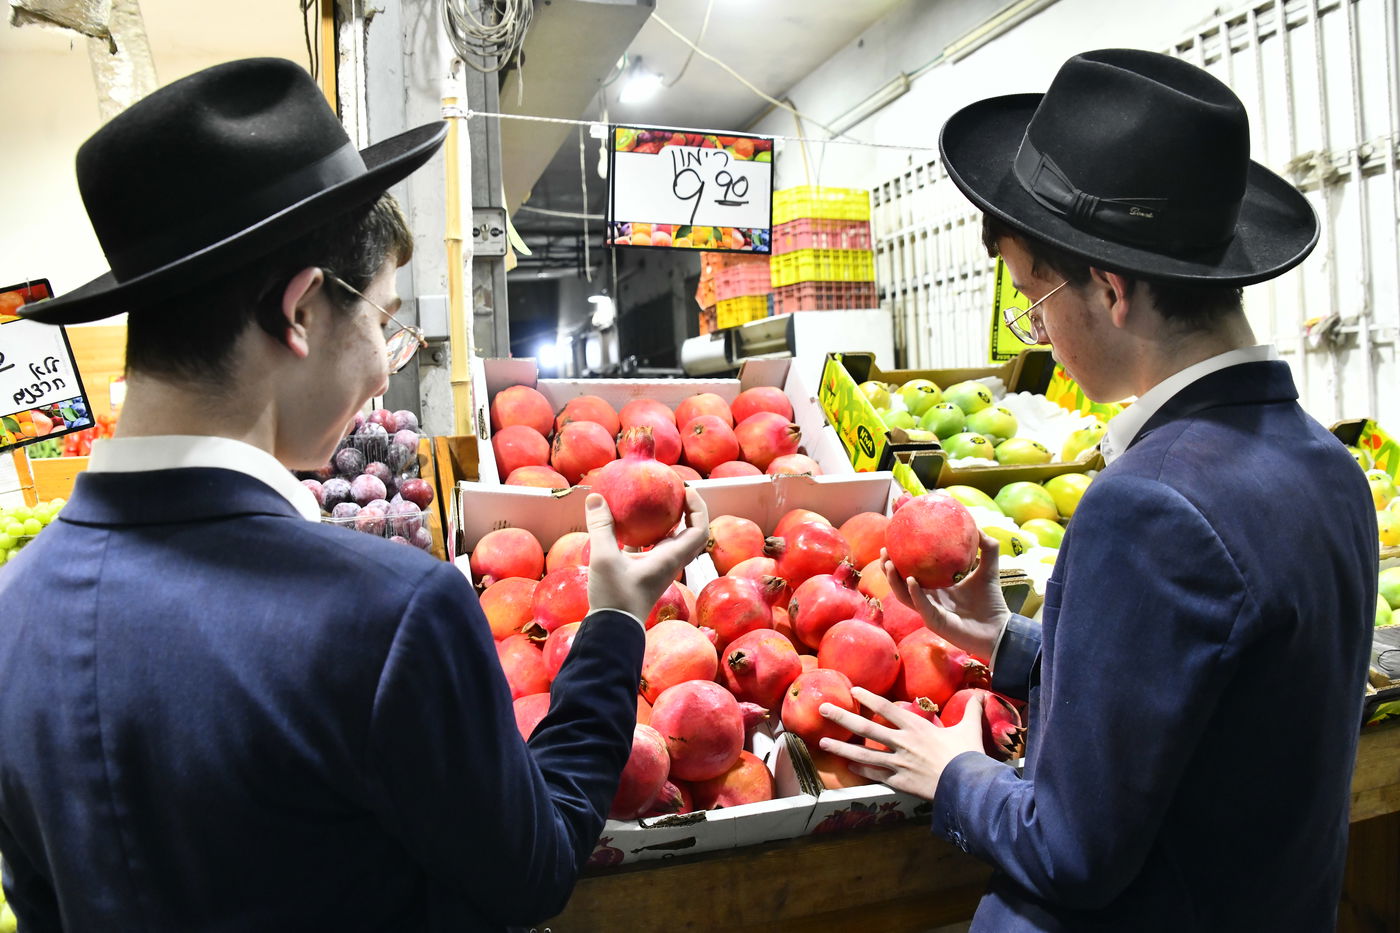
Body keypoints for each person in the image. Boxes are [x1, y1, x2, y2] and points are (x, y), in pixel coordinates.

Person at [0, 58, 708, 932]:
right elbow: (533, 869)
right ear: (298, 313)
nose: (384, 366)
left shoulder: (11, 608)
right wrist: (613, 625)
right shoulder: (385, 613)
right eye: (383, 319)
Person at [819, 49, 1377, 931]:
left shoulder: (1149, 502)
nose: (1035, 323)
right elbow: (1220, 716)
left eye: (1032, 299)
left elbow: (1070, 849)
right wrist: (1013, 642)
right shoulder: (1327, 467)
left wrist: (952, 771)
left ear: (1111, 290)